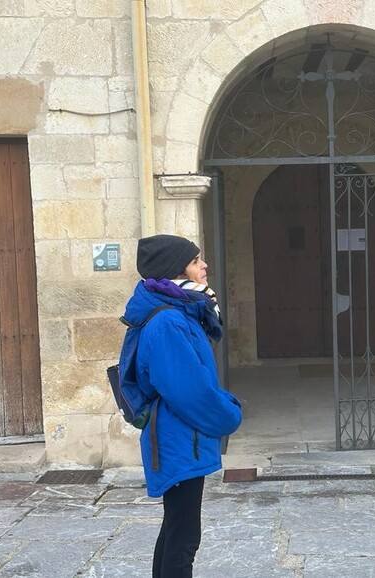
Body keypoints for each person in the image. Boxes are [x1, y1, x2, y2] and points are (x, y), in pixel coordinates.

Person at [122, 234, 242, 578]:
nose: (204, 266)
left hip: (180, 436)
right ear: (176, 270)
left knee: (177, 527)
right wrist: (229, 413)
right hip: (178, 437)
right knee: (184, 536)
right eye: (195, 261)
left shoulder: (177, 312)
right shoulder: (168, 322)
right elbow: (189, 391)